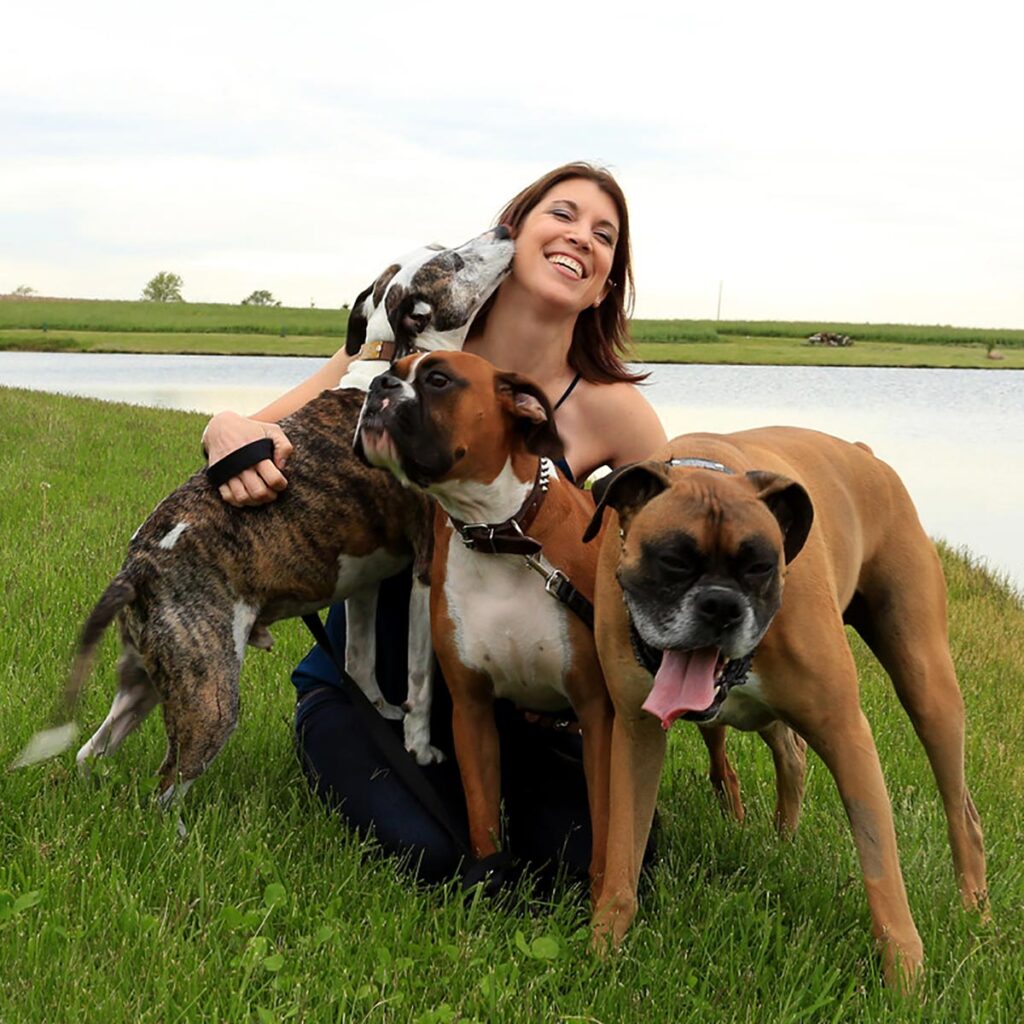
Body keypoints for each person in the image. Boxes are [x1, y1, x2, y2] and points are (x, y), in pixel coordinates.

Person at [201, 162, 668, 883]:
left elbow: (670, 536)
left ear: (606, 283)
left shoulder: (612, 409)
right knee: (436, 853)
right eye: (563, 215)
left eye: (604, 235)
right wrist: (224, 429)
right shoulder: (399, 352)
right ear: (511, 238)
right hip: (369, 687)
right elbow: (259, 423)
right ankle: (335, 735)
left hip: (512, 699)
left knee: (583, 856)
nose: (582, 237)